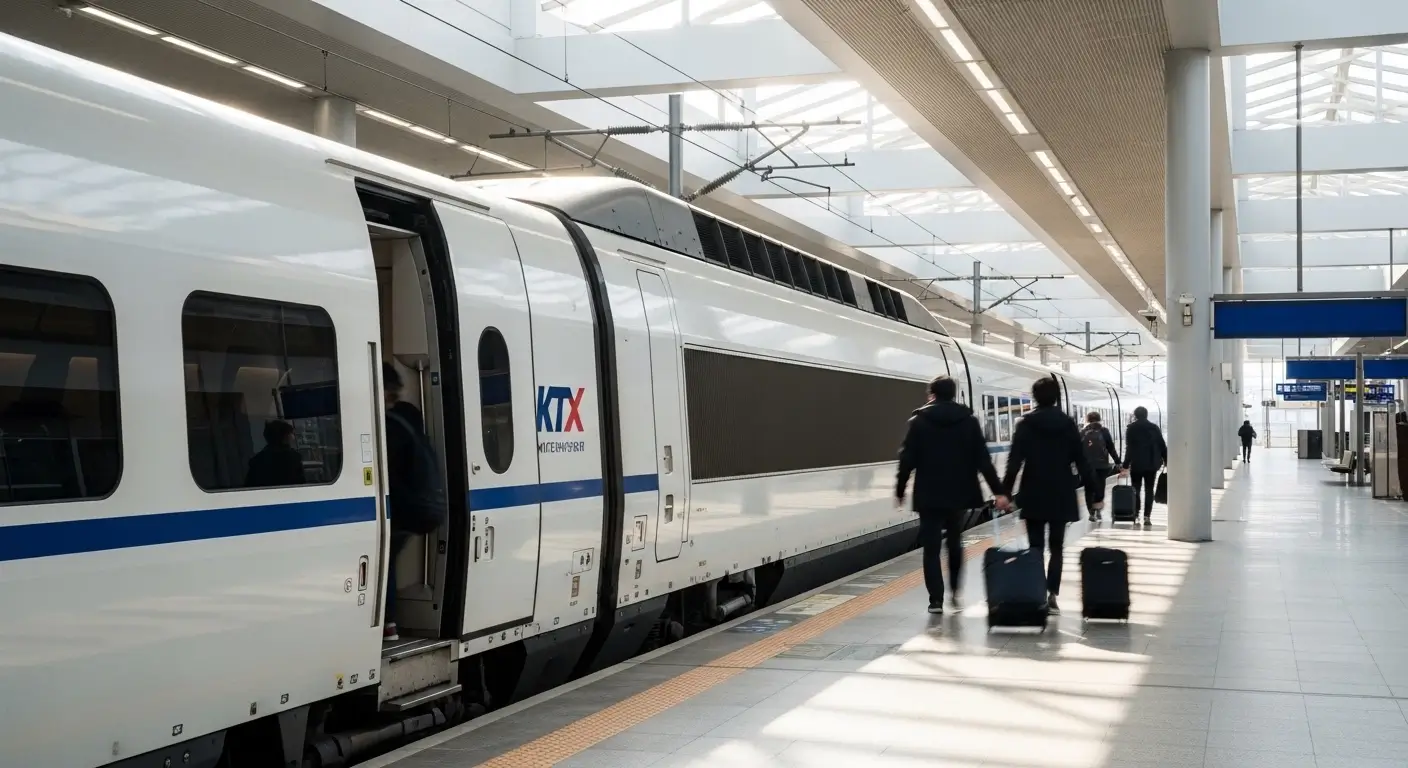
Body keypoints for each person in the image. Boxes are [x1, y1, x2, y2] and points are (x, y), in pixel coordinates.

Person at [896, 375, 1009, 615]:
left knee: (931, 547)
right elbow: (983, 460)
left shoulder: (918, 422)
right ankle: (956, 591)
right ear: (953, 394)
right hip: (959, 492)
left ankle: (935, 600)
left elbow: (907, 460)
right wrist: (998, 491)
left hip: (928, 494)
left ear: (932, 394)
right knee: (955, 542)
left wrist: (900, 490)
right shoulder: (968, 422)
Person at [1000, 376, 1088, 615]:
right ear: (1057, 397)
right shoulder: (1068, 424)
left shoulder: (1025, 424)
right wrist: (1095, 492)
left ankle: (1038, 593)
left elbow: (1014, 462)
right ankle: (1052, 595)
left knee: (1036, 546)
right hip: (1061, 491)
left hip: (1034, 491)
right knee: (1057, 547)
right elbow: (1081, 460)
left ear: (1035, 397)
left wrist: (1005, 492)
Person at [383, 362, 445, 641]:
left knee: (383, 559)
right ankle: (388, 622)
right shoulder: (407, 418)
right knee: (387, 558)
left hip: (403, 507)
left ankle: (387, 623)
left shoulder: (389, 426)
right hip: (421, 506)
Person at [1123, 406, 1167, 525]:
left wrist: (1125, 464)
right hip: (1151, 464)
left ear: (1135, 415)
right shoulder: (1154, 428)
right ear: (1146, 415)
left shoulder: (1131, 428)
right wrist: (1166, 460)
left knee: (1136, 489)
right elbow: (1162, 445)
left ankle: (1136, 514)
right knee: (1149, 490)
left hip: (1136, 464)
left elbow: (1129, 448)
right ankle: (1147, 517)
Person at [1080, 411, 1121, 522]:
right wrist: (1118, 462)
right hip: (1102, 465)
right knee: (1100, 487)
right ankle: (1098, 509)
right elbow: (1111, 448)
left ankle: (1091, 512)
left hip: (1087, 466)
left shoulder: (1082, 432)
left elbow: (1077, 450)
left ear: (1087, 420)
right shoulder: (1104, 431)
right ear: (1099, 419)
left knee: (1088, 489)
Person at [244, 419, 306, 487]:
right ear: (285, 436)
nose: (294, 437)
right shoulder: (293, 458)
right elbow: (301, 483)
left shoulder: (257, 460)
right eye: (292, 433)